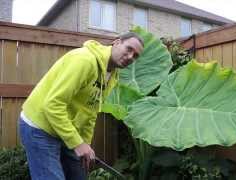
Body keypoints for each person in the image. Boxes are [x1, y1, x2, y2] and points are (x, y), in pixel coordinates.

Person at [19, 32, 144, 180]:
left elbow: (91, 111)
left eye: (135, 56)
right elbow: (52, 104)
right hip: (40, 127)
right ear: (116, 42)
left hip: (65, 128)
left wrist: (85, 143)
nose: (130, 57)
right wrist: (78, 144)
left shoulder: (112, 74)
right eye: (129, 49)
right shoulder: (85, 61)